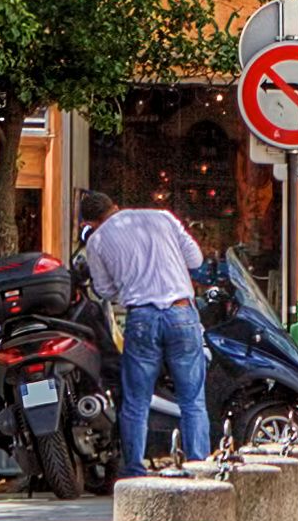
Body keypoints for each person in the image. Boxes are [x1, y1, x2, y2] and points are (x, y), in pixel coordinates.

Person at [84, 188, 212, 473]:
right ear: (115, 206)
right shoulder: (163, 218)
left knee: (136, 401)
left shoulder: (97, 241)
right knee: (192, 399)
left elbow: (104, 290)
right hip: (181, 312)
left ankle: (134, 469)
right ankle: (198, 466)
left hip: (141, 317)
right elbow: (195, 260)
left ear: (90, 223)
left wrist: (129, 283)